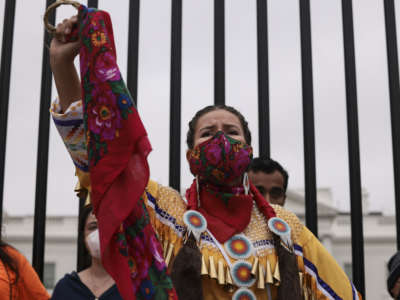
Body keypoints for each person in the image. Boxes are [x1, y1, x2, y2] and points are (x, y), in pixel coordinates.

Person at [48, 7, 362, 300]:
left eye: (232, 131)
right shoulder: (165, 211)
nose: (221, 138)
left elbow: (341, 292)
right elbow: (104, 159)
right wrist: (62, 65)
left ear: (248, 151)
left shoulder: (283, 225)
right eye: (208, 133)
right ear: (190, 155)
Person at [51, 204, 122, 299]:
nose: (99, 234)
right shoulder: (66, 287)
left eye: (106, 226)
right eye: (93, 227)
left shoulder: (135, 287)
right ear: (83, 236)